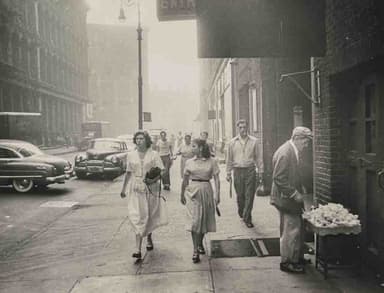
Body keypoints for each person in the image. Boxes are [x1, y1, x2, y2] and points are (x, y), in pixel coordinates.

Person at [270, 126, 313, 274]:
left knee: (297, 228)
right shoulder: (285, 152)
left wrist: (302, 188)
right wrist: (295, 194)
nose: (306, 145)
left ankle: (297, 257)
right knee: (290, 230)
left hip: (287, 197)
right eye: (305, 142)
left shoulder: (291, 150)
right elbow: (279, 178)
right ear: (297, 138)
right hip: (285, 199)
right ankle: (288, 262)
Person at [120, 131, 168, 261]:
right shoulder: (131, 155)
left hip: (150, 188)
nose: (139, 141)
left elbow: (163, 170)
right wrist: (123, 189)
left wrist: (154, 180)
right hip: (136, 188)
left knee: (149, 214)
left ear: (147, 140)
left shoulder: (154, 154)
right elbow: (128, 173)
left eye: (141, 138)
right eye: (137, 139)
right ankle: (137, 249)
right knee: (138, 216)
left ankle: (149, 237)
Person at [180, 139, 220, 263]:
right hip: (192, 192)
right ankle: (195, 250)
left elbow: (217, 179)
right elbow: (185, 180)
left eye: (194, 146)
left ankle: (199, 243)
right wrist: (182, 194)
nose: (192, 148)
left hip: (206, 191)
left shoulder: (212, 161)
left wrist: (217, 195)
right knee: (194, 221)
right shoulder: (189, 162)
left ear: (201, 148)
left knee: (203, 220)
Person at [225, 119, 263, 228]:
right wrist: (228, 172)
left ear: (248, 128)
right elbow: (229, 159)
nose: (243, 129)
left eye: (244, 127)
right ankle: (242, 211)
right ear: (238, 128)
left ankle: (247, 218)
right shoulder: (232, 142)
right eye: (240, 127)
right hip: (237, 171)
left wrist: (260, 171)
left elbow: (258, 157)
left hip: (250, 170)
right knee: (240, 195)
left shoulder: (254, 141)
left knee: (249, 195)